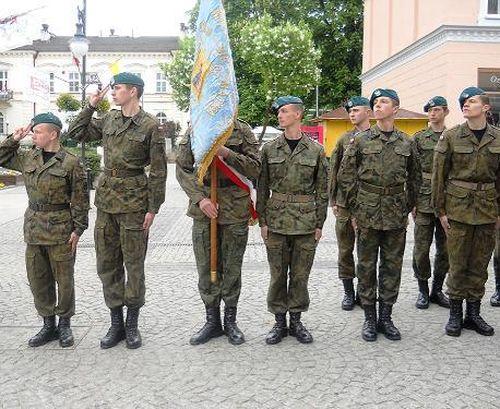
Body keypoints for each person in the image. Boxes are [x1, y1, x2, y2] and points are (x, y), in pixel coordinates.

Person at [67, 72, 167, 349]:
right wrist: (90, 106)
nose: (112, 92)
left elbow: (158, 171)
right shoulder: (109, 118)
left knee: (133, 264)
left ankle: (132, 323)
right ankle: (116, 322)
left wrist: (153, 207)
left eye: (117, 88)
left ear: (133, 91)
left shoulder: (150, 126)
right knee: (107, 263)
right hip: (107, 201)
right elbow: (75, 133)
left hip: (135, 201)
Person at [337, 88, 420, 342]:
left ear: (395, 109)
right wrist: (355, 208)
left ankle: (386, 316)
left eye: (384, 102)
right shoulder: (360, 141)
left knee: (392, 266)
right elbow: (346, 176)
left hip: (395, 212)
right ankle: (370, 318)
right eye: (375, 102)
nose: (378, 105)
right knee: (366, 265)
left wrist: (406, 206)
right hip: (368, 212)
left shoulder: (407, 142)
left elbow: (415, 179)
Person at [0, 113, 89, 347]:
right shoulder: (28, 157)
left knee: (64, 280)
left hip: (61, 229)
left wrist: (78, 230)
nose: (33, 135)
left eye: (38, 132)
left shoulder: (70, 162)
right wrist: (14, 139)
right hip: (34, 229)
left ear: (53, 134)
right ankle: (48, 324)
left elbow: (80, 199)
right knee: (38, 278)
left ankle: (65, 324)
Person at [176, 120, 260, 345]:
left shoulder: (241, 129)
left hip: (235, 205)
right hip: (205, 205)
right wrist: (200, 199)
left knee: (232, 265)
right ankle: (212, 321)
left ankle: (230, 320)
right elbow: (182, 169)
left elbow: (255, 167)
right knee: (206, 265)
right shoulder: (197, 127)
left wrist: (227, 153)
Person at [257, 96, 328, 345]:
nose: (280, 115)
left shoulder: (316, 150)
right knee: (277, 274)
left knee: (300, 275)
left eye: (285, 111)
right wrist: (262, 221)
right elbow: (262, 186)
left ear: (298, 115)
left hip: (306, 222)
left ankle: (296, 321)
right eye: (279, 112)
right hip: (276, 221)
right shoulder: (268, 149)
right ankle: (279, 322)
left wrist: (320, 223)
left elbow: (323, 190)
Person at [432, 86, 500, 337]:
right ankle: (455, 314)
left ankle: (474, 313)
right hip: (457, 209)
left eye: (471, 101)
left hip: (487, 209)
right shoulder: (451, 136)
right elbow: (439, 175)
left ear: (485, 107)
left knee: (480, 263)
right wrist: (440, 210)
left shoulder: (498, 137)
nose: (465, 105)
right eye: (463, 102)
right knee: (458, 262)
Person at [328, 96, 371, 311]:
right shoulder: (345, 139)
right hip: (345, 205)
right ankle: (348, 292)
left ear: (368, 112)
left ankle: (365, 292)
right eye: (350, 111)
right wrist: (334, 199)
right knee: (345, 250)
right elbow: (334, 170)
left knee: (366, 252)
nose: (352, 114)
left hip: (368, 205)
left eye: (356, 110)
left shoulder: (376, 138)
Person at [411, 96, 450, 309]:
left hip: (447, 198)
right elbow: (412, 172)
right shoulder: (418, 138)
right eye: (429, 111)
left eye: (436, 110)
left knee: (445, 249)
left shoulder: (453, 136)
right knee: (421, 248)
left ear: (445, 112)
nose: (432, 114)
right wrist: (413, 201)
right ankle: (423, 290)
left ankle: (437, 289)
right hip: (424, 197)